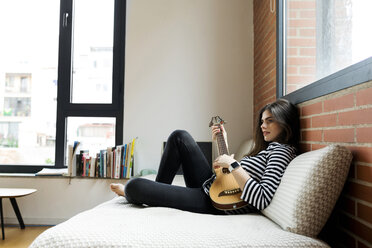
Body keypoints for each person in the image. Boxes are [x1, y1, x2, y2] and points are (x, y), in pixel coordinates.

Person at [110, 99, 300, 215]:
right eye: (262, 122)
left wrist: (233, 163)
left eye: (270, 121)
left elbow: (262, 197)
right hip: (214, 187)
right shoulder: (267, 149)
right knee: (179, 137)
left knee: (135, 186)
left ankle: (148, 194)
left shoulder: (281, 151)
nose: (262, 126)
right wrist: (223, 145)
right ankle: (159, 193)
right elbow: (229, 180)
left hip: (216, 204)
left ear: (285, 123)